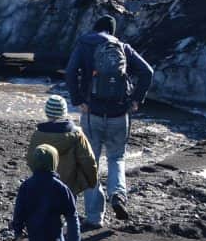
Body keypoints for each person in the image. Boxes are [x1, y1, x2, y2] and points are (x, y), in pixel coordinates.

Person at [65, 14, 153, 228]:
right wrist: (135, 100)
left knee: (90, 162)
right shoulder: (122, 47)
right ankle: (118, 194)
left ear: (95, 28)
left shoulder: (84, 44)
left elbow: (70, 72)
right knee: (116, 158)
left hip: (92, 112)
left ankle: (95, 217)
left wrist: (78, 100)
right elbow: (147, 71)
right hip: (119, 114)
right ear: (112, 31)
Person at [27, 94, 98, 197]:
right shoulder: (76, 134)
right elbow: (88, 160)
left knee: (47, 211)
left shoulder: (38, 134)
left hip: (44, 184)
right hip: (69, 185)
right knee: (69, 211)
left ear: (47, 112)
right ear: (64, 113)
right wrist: (92, 181)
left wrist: (38, 177)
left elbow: (31, 159)